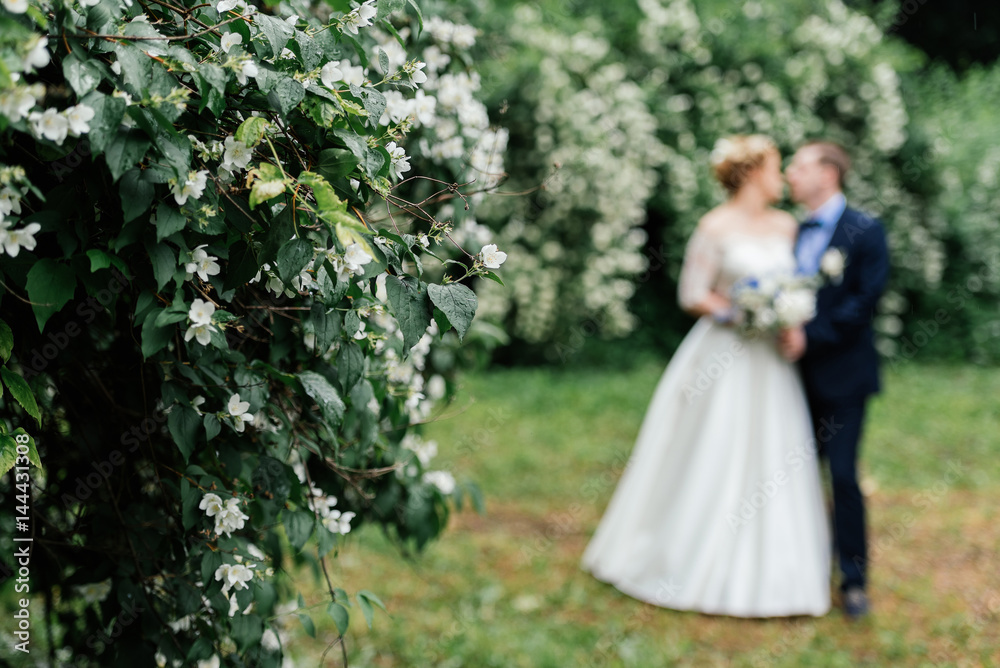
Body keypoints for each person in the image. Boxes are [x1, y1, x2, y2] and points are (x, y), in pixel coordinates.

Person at [582, 135, 831, 618]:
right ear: (752, 173)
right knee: (712, 448)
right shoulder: (714, 227)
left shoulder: (785, 226)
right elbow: (693, 293)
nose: (781, 178)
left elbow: (796, 285)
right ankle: (679, 556)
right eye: (775, 167)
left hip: (772, 364)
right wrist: (746, 314)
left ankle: (778, 571)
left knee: (774, 452)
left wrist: (786, 317)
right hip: (724, 353)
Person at [781, 140, 889, 619]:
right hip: (785, 377)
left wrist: (811, 337)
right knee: (790, 476)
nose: (790, 174)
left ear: (828, 174)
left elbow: (863, 303)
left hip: (843, 378)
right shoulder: (786, 230)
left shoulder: (865, 230)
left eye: (799, 166)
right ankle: (794, 565)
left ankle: (854, 580)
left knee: (842, 476)